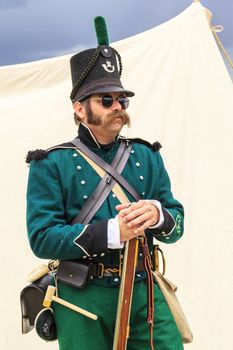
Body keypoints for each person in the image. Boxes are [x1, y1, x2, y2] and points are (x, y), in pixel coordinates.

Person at [26, 16, 184, 350]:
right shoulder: (50, 163)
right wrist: (113, 232)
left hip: (145, 293)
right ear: (80, 109)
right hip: (83, 298)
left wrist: (158, 216)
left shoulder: (147, 155)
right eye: (106, 100)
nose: (118, 108)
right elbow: (42, 238)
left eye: (122, 100)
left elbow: (176, 221)